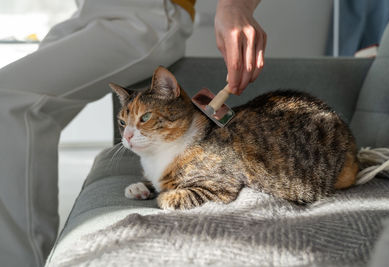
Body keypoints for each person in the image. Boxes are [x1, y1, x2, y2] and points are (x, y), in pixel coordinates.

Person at [0, 0, 266, 266]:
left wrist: (234, 6)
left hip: (142, 11)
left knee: (8, 99)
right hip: (85, 11)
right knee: (17, 112)